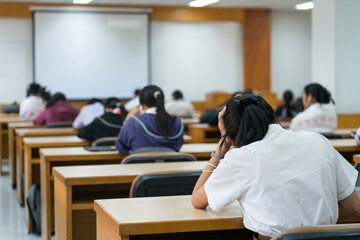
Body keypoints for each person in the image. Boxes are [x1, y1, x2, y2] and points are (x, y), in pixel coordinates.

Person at [191, 94, 360, 240]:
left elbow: (197, 200)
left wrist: (221, 147)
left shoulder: (239, 158)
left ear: (232, 133)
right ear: (274, 117)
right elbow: (354, 207)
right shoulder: (318, 140)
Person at [115, 85, 184, 154]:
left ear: (141, 104)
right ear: (162, 101)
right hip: (171, 164)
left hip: (139, 164)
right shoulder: (177, 121)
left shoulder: (133, 122)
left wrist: (127, 121)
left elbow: (121, 147)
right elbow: (178, 145)